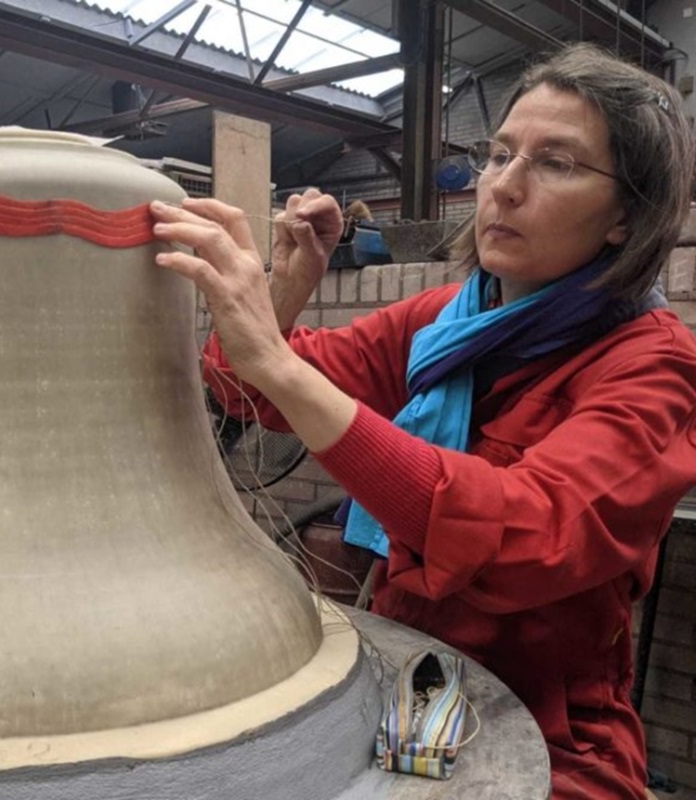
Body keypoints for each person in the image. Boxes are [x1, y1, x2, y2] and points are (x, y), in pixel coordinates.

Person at [150, 43, 696, 800]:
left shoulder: (651, 364)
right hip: (419, 683)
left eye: (557, 163)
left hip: (555, 733)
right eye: (499, 153)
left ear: (627, 215)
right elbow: (246, 392)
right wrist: (283, 289)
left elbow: (525, 539)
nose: (502, 188)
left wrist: (277, 363)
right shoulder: (449, 319)